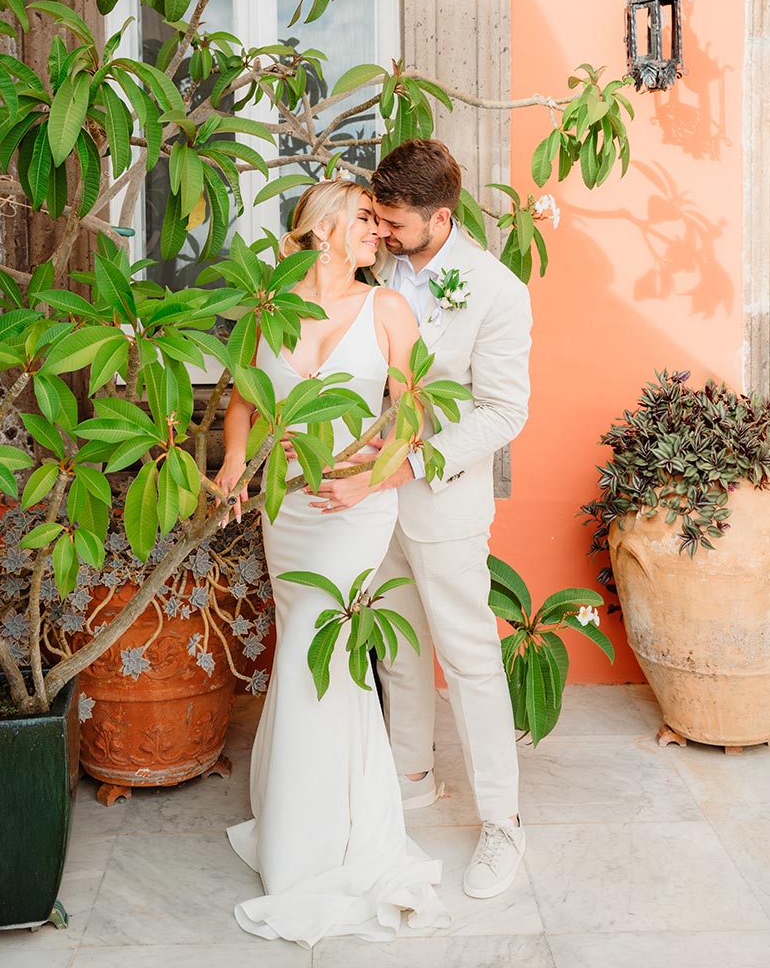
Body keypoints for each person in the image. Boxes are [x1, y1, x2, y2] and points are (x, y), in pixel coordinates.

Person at [216, 179, 451, 947]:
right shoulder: (270, 310)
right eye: (361, 221)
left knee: (336, 655)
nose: (377, 235)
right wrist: (233, 467)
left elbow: (412, 417)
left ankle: (333, 840)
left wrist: (364, 478)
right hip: (286, 511)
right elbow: (246, 400)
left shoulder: (386, 309)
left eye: (380, 226)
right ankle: (292, 816)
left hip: (354, 508)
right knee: (300, 650)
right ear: (320, 230)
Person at [310, 139, 532, 900]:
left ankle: (502, 823)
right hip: (368, 504)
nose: (384, 233)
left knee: (470, 661)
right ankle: (411, 777)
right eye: (378, 219)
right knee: (397, 647)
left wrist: (415, 463)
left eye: (397, 223)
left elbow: (505, 411)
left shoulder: (497, 291)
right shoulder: (375, 267)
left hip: (440, 498)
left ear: (441, 217)